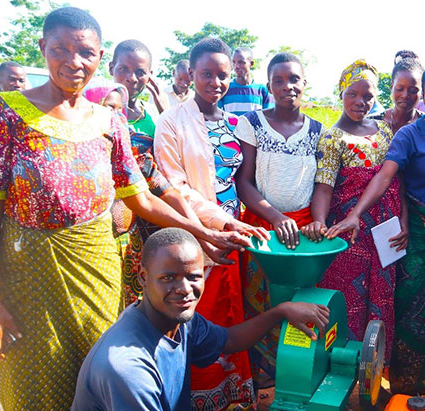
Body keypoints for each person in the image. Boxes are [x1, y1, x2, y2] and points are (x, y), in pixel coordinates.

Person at [0, 8, 248, 409]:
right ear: (43, 47)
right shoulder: (4, 114)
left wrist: (205, 234)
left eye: (85, 51)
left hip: (97, 276)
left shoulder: (108, 122)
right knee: (35, 388)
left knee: (101, 379)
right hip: (28, 281)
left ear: (100, 56)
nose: (73, 62)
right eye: (60, 49)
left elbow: (143, 198)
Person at [327, 64, 425, 394]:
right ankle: (398, 385)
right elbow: (386, 177)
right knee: (408, 308)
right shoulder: (409, 135)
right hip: (417, 238)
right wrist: (356, 214)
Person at [72, 228, 330, 411]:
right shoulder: (128, 370)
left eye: (194, 276)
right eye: (168, 278)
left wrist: (280, 311)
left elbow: (229, 340)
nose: (184, 288)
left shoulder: (178, 321)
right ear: (142, 277)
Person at [155, 37, 269, 409]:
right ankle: (197, 399)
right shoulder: (172, 122)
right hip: (198, 240)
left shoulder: (237, 123)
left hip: (236, 238)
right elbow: (176, 187)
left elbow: (243, 182)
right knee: (200, 320)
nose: (216, 83)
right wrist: (220, 223)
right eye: (207, 74)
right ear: (190, 74)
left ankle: (233, 396)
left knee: (234, 316)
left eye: (222, 75)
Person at [83, 82, 249, 306]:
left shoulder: (133, 155)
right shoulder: (74, 156)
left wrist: (208, 241)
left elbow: (169, 195)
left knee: (130, 316)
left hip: (128, 252)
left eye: (117, 109)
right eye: (105, 107)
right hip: (88, 250)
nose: (112, 115)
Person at [302, 59, 405, 364]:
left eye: (368, 96)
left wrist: (403, 223)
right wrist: (319, 222)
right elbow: (324, 184)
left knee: (382, 295)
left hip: (385, 231)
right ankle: (342, 368)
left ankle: (373, 371)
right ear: (341, 93)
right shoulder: (333, 137)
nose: (361, 102)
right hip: (351, 232)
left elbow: (397, 180)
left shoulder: (386, 131)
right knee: (348, 299)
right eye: (353, 94)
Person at [233, 52, 324, 385]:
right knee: (259, 301)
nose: (288, 87)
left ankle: (290, 372)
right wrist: (274, 216)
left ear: (305, 83)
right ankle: (257, 375)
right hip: (262, 228)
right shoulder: (253, 123)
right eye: (279, 81)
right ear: (268, 85)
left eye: (294, 79)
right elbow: (243, 181)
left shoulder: (317, 130)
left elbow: (320, 184)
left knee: (296, 298)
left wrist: (316, 220)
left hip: (302, 232)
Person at [109, 39, 168, 137]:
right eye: (123, 69)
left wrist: (165, 113)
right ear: (111, 69)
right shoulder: (96, 110)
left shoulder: (155, 114)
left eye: (140, 72)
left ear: (150, 76)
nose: (132, 78)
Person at [369, 57, 424, 133]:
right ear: (392, 87)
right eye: (400, 89)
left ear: (421, 92)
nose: (405, 95)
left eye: (413, 91)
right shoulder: (372, 122)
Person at [218, 47, 273, 116]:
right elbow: (218, 116)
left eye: (241, 62)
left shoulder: (262, 90)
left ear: (251, 63)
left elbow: (269, 117)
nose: (236, 66)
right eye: (234, 62)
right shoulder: (226, 88)